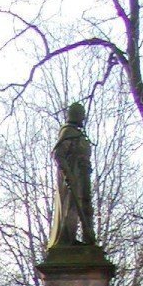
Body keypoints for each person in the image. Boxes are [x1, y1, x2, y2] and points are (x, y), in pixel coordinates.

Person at [47, 102, 97, 248]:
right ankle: (68, 238)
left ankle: (89, 238)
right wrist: (69, 174)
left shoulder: (78, 133)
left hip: (83, 174)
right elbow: (58, 155)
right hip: (74, 176)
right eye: (81, 114)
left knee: (86, 205)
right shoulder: (68, 132)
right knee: (72, 207)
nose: (83, 118)